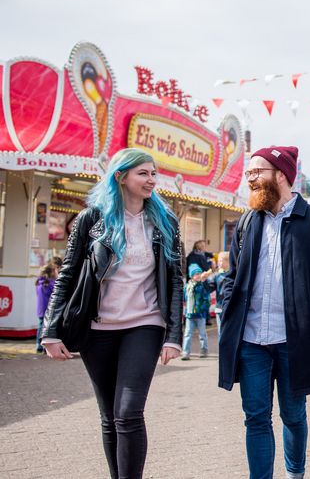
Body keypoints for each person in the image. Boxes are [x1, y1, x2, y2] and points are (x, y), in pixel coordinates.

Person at [40, 148, 183, 479]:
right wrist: (50, 329)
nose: (151, 180)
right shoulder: (92, 219)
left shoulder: (165, 221)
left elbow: (176, 280)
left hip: (145, 325)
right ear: (121, 177)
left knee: (129, 412)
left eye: (153, 173)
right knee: (109, 415)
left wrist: (174, 336)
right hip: (97, 328)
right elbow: (68, 274)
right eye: (143, 173)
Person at [218, 145, 310, 479]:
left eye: (257, 172)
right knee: (256, 418)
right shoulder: (246, 223)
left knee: (293, 414)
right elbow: (231, 277)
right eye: (248, 173)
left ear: (282, 175)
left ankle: (295, 473)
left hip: (295, 341)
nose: (250, 179)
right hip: (251, 340)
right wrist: (229, 305)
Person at [182, 264, 211, 360]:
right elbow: (184, 298)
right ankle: (186, 352)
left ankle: (204, 350)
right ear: (192, 276)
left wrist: (203, 308)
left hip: (200, 314)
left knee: (202, 334)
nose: (198, 275)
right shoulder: (187, 286)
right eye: (196, 274)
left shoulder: (201, 286)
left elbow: (207, 299)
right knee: (187, 334)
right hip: (190, 315)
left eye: (200, 273)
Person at [35, 263, 57, 353]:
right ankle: (45, 346)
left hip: (40, 309)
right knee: (47, 329)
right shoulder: (51, 283)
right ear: (51, 272)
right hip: (49, 310)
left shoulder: (38, 283)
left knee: (40, 327)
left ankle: (38, 345)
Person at [210, 251, 230, 338]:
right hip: (220, 307)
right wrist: (203, 281)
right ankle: (222, 351)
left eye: (221, 260)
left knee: (230, 331)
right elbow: (210, 288)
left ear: (228, 261)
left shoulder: (233, 274)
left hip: (231, 308)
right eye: (218, 260)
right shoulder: (217, 275)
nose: (218, 263)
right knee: (220, 332)